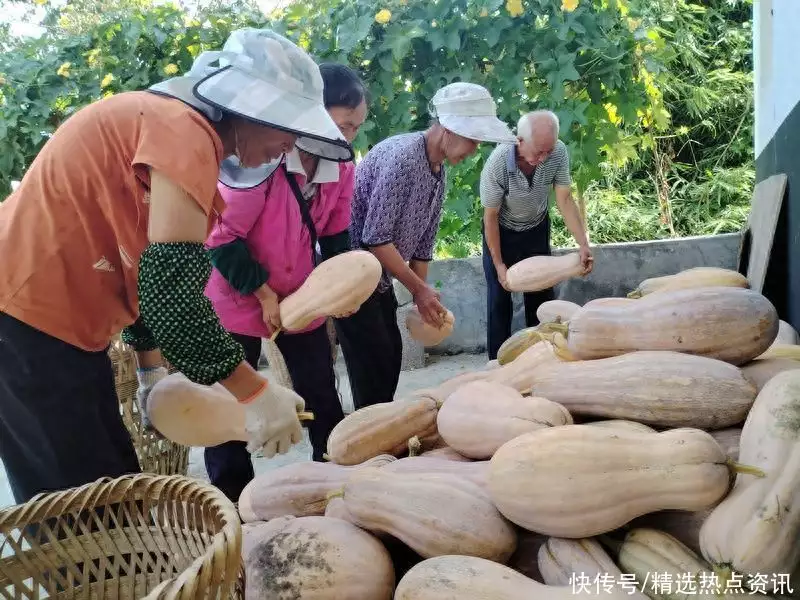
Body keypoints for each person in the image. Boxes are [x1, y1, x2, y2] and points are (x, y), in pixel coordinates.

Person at [0, 28, 355, 505]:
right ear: (249, 108)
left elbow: (147, 271)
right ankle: (97, 582)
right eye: (287, 126)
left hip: (54, 328)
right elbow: (174, 299)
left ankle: (116, 579)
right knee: (82, 506)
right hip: (24, 316)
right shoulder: (183, 131)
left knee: (111, 485)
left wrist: (152, 371)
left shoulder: (174, 129)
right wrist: (253, 392)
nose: (289, 144)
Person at [202, 63, 368, 502]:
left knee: (319, 387)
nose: (349, 135)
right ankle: (232, 501)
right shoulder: (263, 160)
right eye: (344, 124)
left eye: (357, 127)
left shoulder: (341, 169)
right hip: (236, 296)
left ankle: (333, 479)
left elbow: (336, 234)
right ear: (313, 113)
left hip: (300, 292)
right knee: (232, 401)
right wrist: (263, 292)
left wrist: (342, 288)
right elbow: (221, 237)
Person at [335, 82, 517, 410]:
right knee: (371, 365)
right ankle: (366, 441)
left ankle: (379, 432)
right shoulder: (403, 157)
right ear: (447, 130)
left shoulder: (438, 171)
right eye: (472, 139)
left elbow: (423, 244)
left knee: (389, 358)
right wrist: (418, 290)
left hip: (378, 279)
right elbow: (375, 239)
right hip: (350, 276)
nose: (474, 149)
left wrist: (423, 295)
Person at [480, 110, 593, 360]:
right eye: (538, 152)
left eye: (548, 152)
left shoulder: (558, 152)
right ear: (519, 141)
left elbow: (564, 198)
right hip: (501, 231)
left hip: (536, 228)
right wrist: (499, 264)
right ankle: (497, 365)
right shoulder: (498, 162)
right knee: (499, 301)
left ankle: (544, 356)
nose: (543, 159)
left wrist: (583, 244)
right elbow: (490, 217)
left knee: (541, 299)